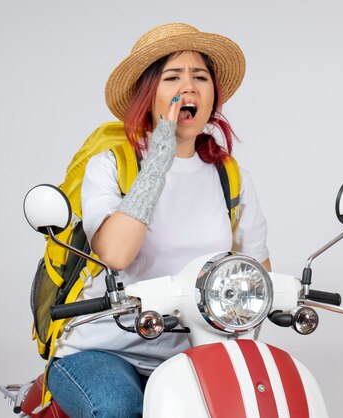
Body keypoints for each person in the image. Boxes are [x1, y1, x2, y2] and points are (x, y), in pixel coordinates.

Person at [46, 23, 270, 417]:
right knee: (118, 409)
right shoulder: (112, 165)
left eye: (200, 77)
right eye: (173, 77)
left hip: (193, 352)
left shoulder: (229, 177)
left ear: (212, 95)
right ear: (149, 94)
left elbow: (256, 272)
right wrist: (162, 151)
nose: (189, 86)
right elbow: (117, 252)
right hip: (103, 350)